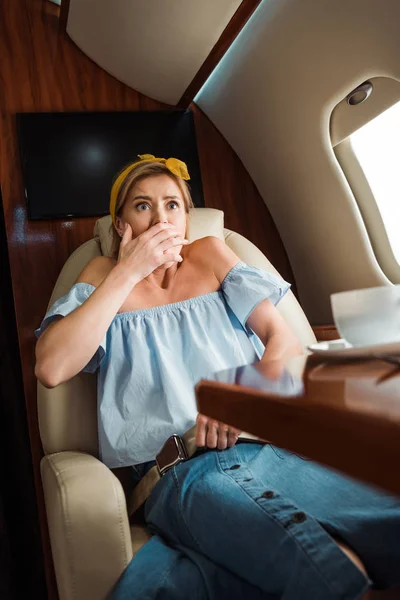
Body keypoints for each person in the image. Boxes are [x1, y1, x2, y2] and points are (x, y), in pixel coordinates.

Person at [35, 154, 400, 600]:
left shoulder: (210, 253)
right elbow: (52, 368)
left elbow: (282, 341)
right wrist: (129, 270)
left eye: (172, 205)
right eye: (143, 205)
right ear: (120, 223)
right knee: (333, 564)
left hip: (272, 445)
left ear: (187, 218)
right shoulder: (100, 275)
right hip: (182, 471)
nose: (160, 218)